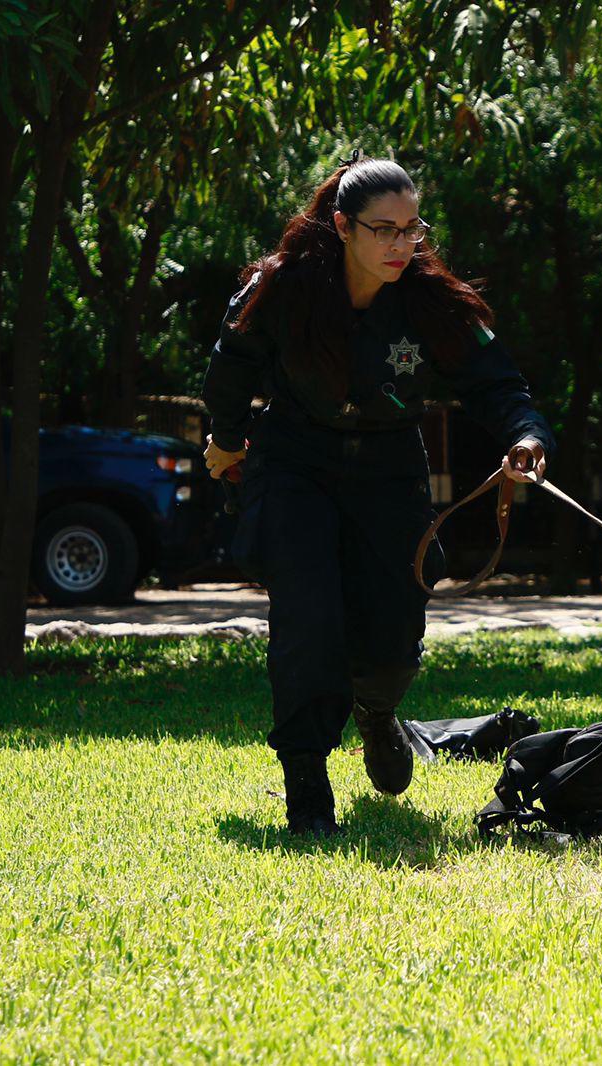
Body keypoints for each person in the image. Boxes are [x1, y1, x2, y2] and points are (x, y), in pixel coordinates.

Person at [200, 152, 554, 836]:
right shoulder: (283, 286)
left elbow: (499, 383)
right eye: (384, 229)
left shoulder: (431, 300)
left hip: (390, 468)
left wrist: (527, 436)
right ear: (342, 226)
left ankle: (379, 712)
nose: (401, 244)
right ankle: (307, 782)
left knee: (395, 629)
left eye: (412, 228)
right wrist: (227, 434)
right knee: (309, 616)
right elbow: (230, 362)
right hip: (296, 461)